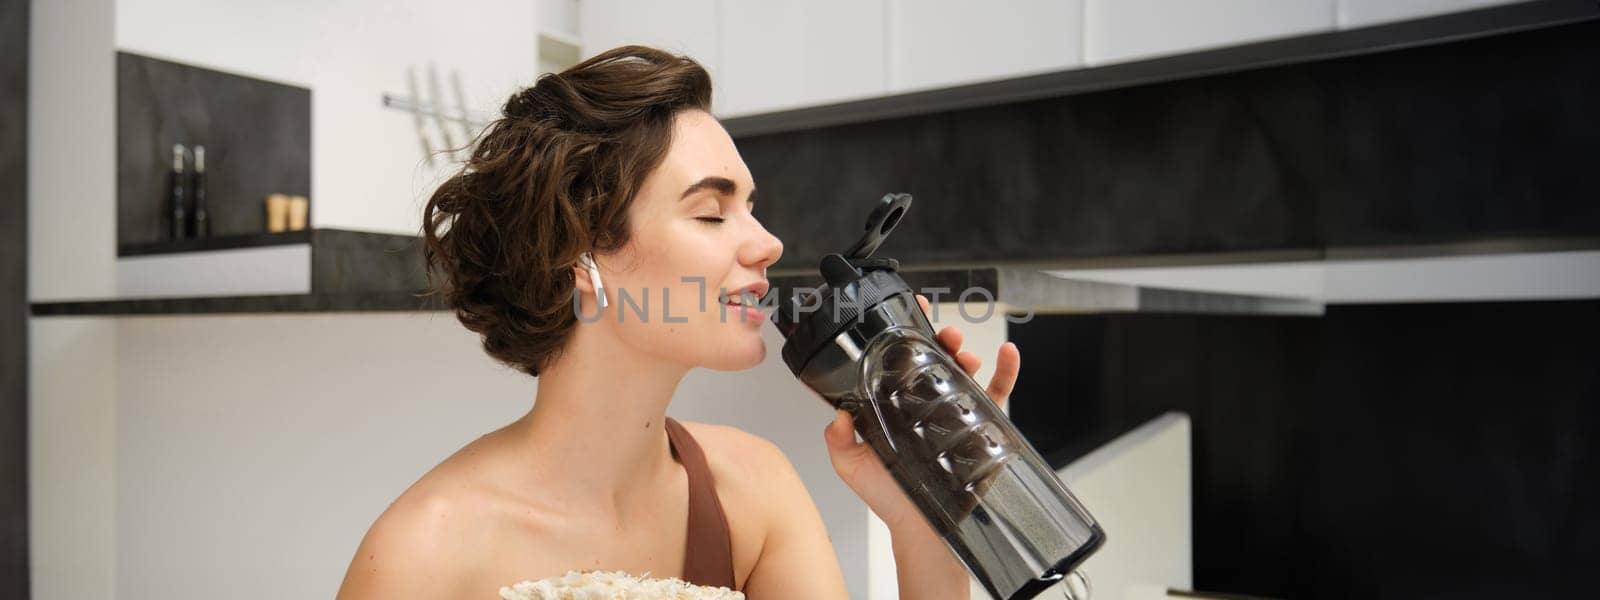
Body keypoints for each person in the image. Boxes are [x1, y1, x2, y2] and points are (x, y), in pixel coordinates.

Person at [335, 45, 1022, 599]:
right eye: (711, 213)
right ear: (579, 256)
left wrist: (922, 518)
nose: (768, 243)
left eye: (751, 207)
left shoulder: (755, 491)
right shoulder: (422, 556)